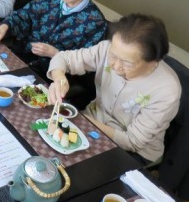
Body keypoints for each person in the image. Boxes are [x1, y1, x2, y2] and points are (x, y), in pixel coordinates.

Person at [47, 14, 181, 164]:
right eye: (113, 56)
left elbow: (132, 141)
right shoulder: (107, 49)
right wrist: (59, 79)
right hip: (89, 122)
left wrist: (79, 119)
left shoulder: (166, 90)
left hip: (131, 151)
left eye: (127, 63)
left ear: (153, 62)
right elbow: (63, 58)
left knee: (72, 169)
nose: (115, 66)